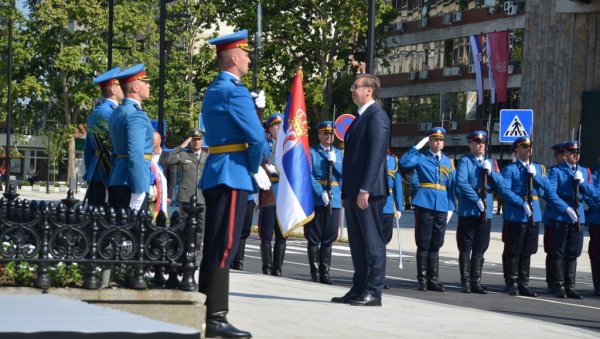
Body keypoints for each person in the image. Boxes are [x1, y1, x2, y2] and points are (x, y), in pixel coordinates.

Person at [198, 29, 269, 339]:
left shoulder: (215, 88)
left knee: (214, 244)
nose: (250, 59)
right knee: (225, 245)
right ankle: (216, 316)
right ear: (234, 58)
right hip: (234, 173)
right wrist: (256, 166)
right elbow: (255, 137)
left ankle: (207, 311)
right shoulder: (235, 91)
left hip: (218, 170)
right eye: (246, 54)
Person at [331, 74, 390, 307]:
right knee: (357, 242)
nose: (352, 90)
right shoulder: (359, 118)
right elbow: (351, 160)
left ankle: (374, 291)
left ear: (369, 91)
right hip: (356, 191)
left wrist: (364, 188)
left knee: (372, 242)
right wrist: (347, 192)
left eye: (355, 86)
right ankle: (359, 287)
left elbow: (376, 156)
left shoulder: (377, 116)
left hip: (369, 191)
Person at [399, 127, 455, 292]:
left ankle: (434, 279)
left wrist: (451, 206)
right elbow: (403, 162)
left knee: (436, 243)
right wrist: (417, 146)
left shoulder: (447, 161)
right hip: (425, 203)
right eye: (435, 139)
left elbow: (451, 186)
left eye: (441, 140)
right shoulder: (421, 158)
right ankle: (422, 279)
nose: (438, 142)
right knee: (424, 243)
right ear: (429, 142)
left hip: (442, 205)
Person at [543, 140, 594, 299]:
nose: (575, 154)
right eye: (572, 152)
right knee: (559, 252)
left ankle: (570, 285)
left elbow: (592, 193)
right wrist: (565, 208)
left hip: (578, 214)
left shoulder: (584, 171)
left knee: (573, 252)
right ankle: (559, 286)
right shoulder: (556, 172)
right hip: (561, 214)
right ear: (564, 154)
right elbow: (550, 193)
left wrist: (583, 182)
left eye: (577, 152)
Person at [455, 131, 504, 294]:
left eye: (483, 142)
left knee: (480, 247)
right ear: (470, 144)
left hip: (486, 209)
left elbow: (502, 185)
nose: (481, 144)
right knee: (466, 246)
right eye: (476, 142)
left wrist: (491, 173)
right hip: (469, 208)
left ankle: (476, 281)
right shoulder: (465, 161)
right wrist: (476, 199)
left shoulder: (491, 162)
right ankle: (465, 282)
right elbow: (461, 182)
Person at [500, 137, 549, 297]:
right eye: (524, 146)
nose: (528, 149)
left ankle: (524, 283)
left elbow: (547, 188)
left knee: (528, 250)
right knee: (514, 249)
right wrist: (521, 202)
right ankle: (512, 282)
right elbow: (505, 191)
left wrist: (536, 177)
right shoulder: (510, 169)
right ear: (516, 150)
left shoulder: (538, 168)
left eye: (530, 147)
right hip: (516, 214)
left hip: (533, 214)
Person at [107, 64, 154, 212]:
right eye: (145, 82)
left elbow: (115, 152)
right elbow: (136, 154)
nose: (148, 85)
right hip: (131, 183)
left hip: (118, 177)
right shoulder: (136, 115)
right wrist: (139, 188)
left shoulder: (118, 112)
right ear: (135, 88)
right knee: (132, 233)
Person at [305, 121, 343, 285]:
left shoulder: (339, 154)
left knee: (329, 237)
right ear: (319, 134)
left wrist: (334, 163)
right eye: (325, 133)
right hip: (317, 198)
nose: (329, 136)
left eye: (331, 133)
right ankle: (315, 271)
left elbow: (345, 174)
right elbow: (307, 174)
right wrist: (320, 192)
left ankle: (325, 272)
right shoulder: (312, 152)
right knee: (314, 237)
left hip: (334, 198)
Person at [84, 66, 123, 208]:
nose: (124, 87)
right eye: (120, 84)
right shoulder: (110, 112)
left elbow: (88, 148)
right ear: (113, 89)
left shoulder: (98, 110)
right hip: (107, 173)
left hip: (96, 172)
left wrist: (89, 172)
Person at [168, 128, 208, 263]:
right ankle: (182, 251)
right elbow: (170, 159)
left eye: (199, 140)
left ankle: (195, 253)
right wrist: (182, 146)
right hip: (186, 196)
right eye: (194, 140)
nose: (196, 142)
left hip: (202, 197)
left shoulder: (207, 157)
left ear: (202, 141)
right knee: (184, 225)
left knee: (200, 228)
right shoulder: (184, 155)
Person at [258, 113, 287, 276]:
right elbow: (256, 161)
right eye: (276, 125)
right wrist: (265, 169)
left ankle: (278, 268)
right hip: (269, 194)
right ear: (270, 128)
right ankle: (267, 267)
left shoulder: (288, 146)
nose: (279, 128)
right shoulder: (264, 145)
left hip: (283, 195)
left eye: (281, 125)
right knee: (267, 233)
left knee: (282, 235)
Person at [541, 143, 565, 292]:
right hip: (553, 216)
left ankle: (564, 281)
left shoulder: (579, 172)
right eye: (560, 154)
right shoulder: (551, 172)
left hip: (569, 217)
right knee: (552, 250)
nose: (563, 157)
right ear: (556, 156)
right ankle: (552, 280)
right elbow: (547, 193)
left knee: (567, 251)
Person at [586, 149, 600, 296]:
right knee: (596, 254)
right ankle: (598, 284)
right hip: (597, 219)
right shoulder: (594, 176)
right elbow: (590, 195)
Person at [231, 194, 258, 271]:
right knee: (234, 229)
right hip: (235, 197)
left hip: (249, 199)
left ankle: (239, 261)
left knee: (245, 230)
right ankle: (231, 260)